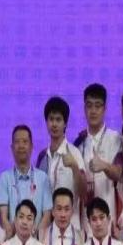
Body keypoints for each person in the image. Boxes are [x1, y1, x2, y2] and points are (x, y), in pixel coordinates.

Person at [74, 84, 122, 229]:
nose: (93, 111)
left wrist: (104, 166)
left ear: (105, 109)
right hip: (85, 218)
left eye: (97, 106)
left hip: (108, 214)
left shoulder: (115, 139)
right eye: (89, 106)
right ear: (84, 109)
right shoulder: (79, 142)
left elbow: (120, 174)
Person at [34, 96, 85, 229]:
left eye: (58, 119)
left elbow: (84, 193)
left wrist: (74, 167)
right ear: (46, 122)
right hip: (47, 227)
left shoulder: (74, 153)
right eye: (51, 119)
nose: (54, 124)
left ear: (65, 123)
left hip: (71, 226)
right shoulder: (42, 157)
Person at [0, 125, 52, 238]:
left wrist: (36, 239)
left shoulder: (43, 178)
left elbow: (47, 214)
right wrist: (12, 238)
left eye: (25, 142)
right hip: (12, 240)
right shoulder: (4, 178)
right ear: (12, 148)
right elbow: (3, 217)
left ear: (31, 147)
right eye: (17, 142)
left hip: (36, 240)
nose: (21, 146)